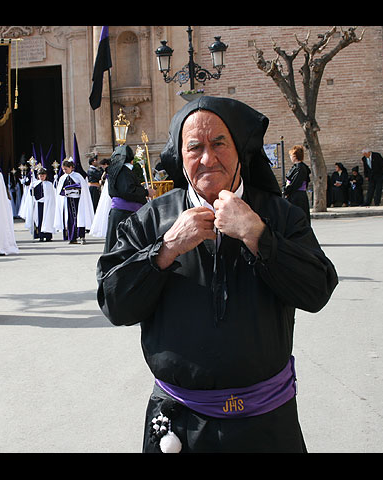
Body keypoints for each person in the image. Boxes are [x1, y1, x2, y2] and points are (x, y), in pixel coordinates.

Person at [97, 96, 338, 453]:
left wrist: (258, 235)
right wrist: (165, 249)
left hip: (268, 425)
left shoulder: (280, 215)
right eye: (194, 147)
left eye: (219, 143)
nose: (207, 158)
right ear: (181, 157)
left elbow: (316, 290)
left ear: (240, 149)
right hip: (179, 425)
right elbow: (115, 303)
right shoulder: (151, 220)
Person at [103, 144, 155, 253]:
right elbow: (128, 191)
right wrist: (146, 192)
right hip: (125, 213)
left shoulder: (115, 170)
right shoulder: (124, 171)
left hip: (120, 213)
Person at [55, 158, 94, 244]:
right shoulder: (62, 178)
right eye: (63, 169)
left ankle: (81, 236)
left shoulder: (78, 176)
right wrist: (65, 192)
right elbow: (59, 191)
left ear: (71, 167)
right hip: (68, 201)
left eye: (66, 169)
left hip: (78, 201)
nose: (64, 171)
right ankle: (72, 237)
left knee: (80, 218)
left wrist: (75, 189)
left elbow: (83, 189)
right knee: (70, 219)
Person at [282, 145, 311, 224]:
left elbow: (296, 183)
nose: (290, 157)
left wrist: (287, 191)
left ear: (295, 156)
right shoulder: (297, 167)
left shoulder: (300, 168)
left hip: (297, 197)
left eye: (291, 155)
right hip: (295, 195)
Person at [26, 167, 56, 241]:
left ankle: (48, 235)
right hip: (38, 204)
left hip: (47, 204)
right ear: (38, 176)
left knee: (47, 219)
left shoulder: (49, 184)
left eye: (43, 176)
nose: (42, 177)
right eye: (40, 176)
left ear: (46, 176)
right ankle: (40, 235)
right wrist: (31, 190)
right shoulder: (34, 184)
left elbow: (51, 195)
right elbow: (31, 195)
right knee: (39, 219)